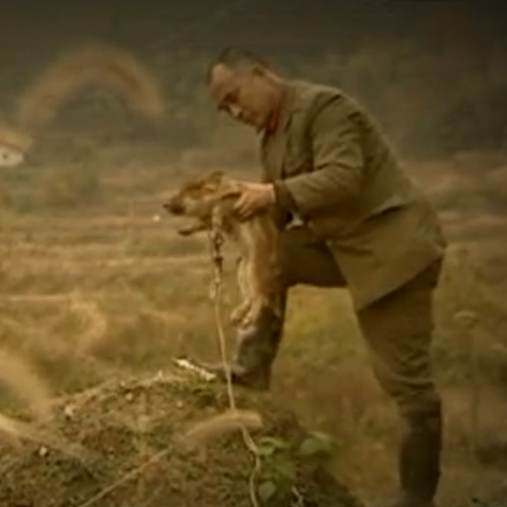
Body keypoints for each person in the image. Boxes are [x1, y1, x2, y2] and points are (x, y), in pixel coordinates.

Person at [187, 47, 448, 507]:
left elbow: (343, 177)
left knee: (409, 387)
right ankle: (250, 369)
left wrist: (270, 192)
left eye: (234, 97)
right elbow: (280, 213)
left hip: (393, 252)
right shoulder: (270, 140)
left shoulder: (325, 108)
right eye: (223, 108)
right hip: (341, 246)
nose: (234, 111)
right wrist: (231, 215)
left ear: (261, 73)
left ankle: (416, 497)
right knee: (273, 253)